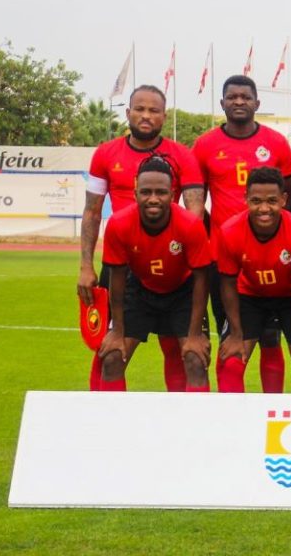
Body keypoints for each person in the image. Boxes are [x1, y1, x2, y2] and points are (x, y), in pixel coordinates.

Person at [78, 85, 205, 392]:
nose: (146, 115)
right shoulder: (105, 153)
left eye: (153, 110)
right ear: (128, 112)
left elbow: (195, 212)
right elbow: (92, 211)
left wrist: (177, 251)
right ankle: (99, 413)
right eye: (140, 109)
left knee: (177, 348)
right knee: (108, 346)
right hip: (122, 262)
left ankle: (182, 416)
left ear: (164, 116)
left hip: (172, 262)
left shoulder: (182, 155)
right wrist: (86, 265)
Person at [192, 75, 291, 393]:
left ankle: (271, 407)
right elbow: (195, 200)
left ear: (256, 103)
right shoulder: (205, 145)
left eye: (246, 97)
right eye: (232, 97)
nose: (239, 101)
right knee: (231, 338)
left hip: (271, 257)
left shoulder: (276, 142)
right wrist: (218, 233)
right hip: (224, 260)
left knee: (270, 336)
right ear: (222, 103)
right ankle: (230, 409)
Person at [96, 156, 211, 392]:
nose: (153, 198)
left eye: (161, 192)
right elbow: (116, 279)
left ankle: (195, 416)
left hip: (183, 292)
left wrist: (194, 335)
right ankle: (110, 414)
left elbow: (202, 278)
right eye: (146, 192)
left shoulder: (190, 225)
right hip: (140, 290)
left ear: (172, 194)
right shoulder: (119, 224)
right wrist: (117, 331)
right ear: (135, 193)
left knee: (196, 360)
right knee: (112, 357)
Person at [215, 167, 291, 393]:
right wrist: (236, 335)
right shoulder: (229, 231)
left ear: (284, 199)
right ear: (246, 199)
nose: (264, 208)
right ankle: (232, 417)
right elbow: (227, 284)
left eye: (272, 201)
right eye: (256, 201)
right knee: (231, 363)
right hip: (250, 296)